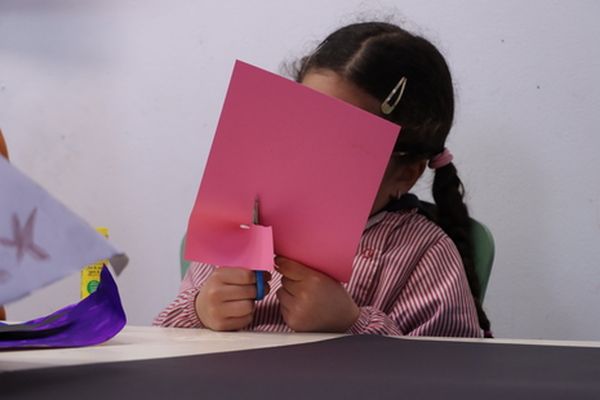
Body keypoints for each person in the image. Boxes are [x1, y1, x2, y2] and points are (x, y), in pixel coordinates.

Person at [155, 21, 492, 337]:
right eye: (300, 124)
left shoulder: (425, 253)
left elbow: (449, 373)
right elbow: (162, 340)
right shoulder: (237, 223)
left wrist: (351, 323)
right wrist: (201, 310)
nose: (306, 154)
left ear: (404, 173)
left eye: (341, 145)